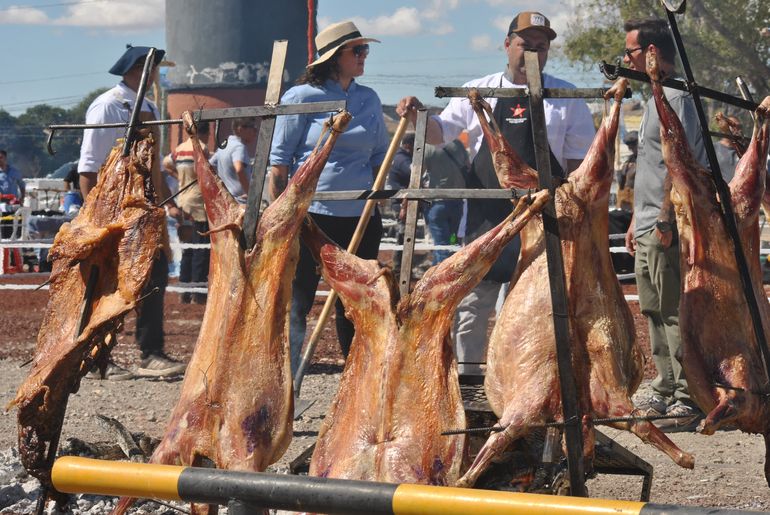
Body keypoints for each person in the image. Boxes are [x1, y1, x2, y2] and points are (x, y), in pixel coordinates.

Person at [397, 11, 595, 376]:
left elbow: (578, 164)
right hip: (486, 216)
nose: (532, 52)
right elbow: (439, 132)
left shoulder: (565, 98)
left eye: (541, 46)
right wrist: (416, 115)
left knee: (528, 304)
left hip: (543, 217)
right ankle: (469, 375)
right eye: (525, 44)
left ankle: (517, 380)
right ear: (507, 44)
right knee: (474, 301)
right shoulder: (479, 90)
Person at [269, 20, 389, 376]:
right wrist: (284, 215)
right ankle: (284, 374)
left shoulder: (368, 99)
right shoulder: (301, 98)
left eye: (366, 50)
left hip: (360, 214)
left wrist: (379, 199)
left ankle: (357, 375)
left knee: (357, 299)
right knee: (298, 297)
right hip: (313, 214)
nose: (364, 55)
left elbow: (379, 157)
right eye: (358, 50)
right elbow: (279, 163)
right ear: (335, 57)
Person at [78, 45, 187, 380]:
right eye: (153, 70)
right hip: (114, 209)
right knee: (107, 285)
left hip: (146, 209)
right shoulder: (109, 105)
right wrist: (97, 221)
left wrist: (168, 204)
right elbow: (89, 167)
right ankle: (96, 357)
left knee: (154, 277)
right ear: (140, 70)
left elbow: (154, 168)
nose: (156, 76)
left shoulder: (149, 106)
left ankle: (151, 353)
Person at [622, 18, 707, 431]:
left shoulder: (677, 97)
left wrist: (665, 216)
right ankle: (665, 386)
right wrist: (636, 219)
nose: (626, 59)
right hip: (645, 222)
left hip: (665, 220)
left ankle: (688, 396)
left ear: (652, 52)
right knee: (653, 309)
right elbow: (652, 165)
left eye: (631, 52)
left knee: (673, 309)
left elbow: (681, 161)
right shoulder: (653, 97)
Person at [163, 121, 211, 305]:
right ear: (206, 132)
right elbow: (206, 174)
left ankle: (184, 290)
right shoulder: (202, 148)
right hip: (198, 204)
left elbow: (166, 163)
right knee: (201, 249)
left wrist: (180, 178)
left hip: (183, 201)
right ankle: (198, 293)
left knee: (187, 249)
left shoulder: (180, 149)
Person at [421, 138, 468, 263]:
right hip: (457, 203)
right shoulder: (458, 144)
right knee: (453, 239)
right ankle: (440, 269)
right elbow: (467, 166)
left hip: (438, 204)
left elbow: (418, 173)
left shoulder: (429, 147)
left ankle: (443, 270)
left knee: (441, 244)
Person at [209, 118, 257, 203]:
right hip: (239, 201)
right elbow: (239, 169)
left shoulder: (226, 144)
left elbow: (210, 165)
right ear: (240, 129)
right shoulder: (239, 147)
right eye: (253, 128)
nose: (255, 132)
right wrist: (249, 194)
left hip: (225, 199)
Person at [386, 132, 414, 271]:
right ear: (409, 145)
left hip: (401, 202)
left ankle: (401, 266)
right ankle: (398, 268)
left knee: (404, 235)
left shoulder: (399, 157)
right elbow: (415, 173)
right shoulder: (403, 160)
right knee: (403, 235)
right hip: (401, 204)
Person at [616, 131, 638, 212]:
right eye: (629, 147)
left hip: (636, 200)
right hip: (625, 200)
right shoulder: (629, 160)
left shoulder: (645, 159)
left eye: (633, 146)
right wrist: (621, 172)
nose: (630, 149)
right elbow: (621, 183)